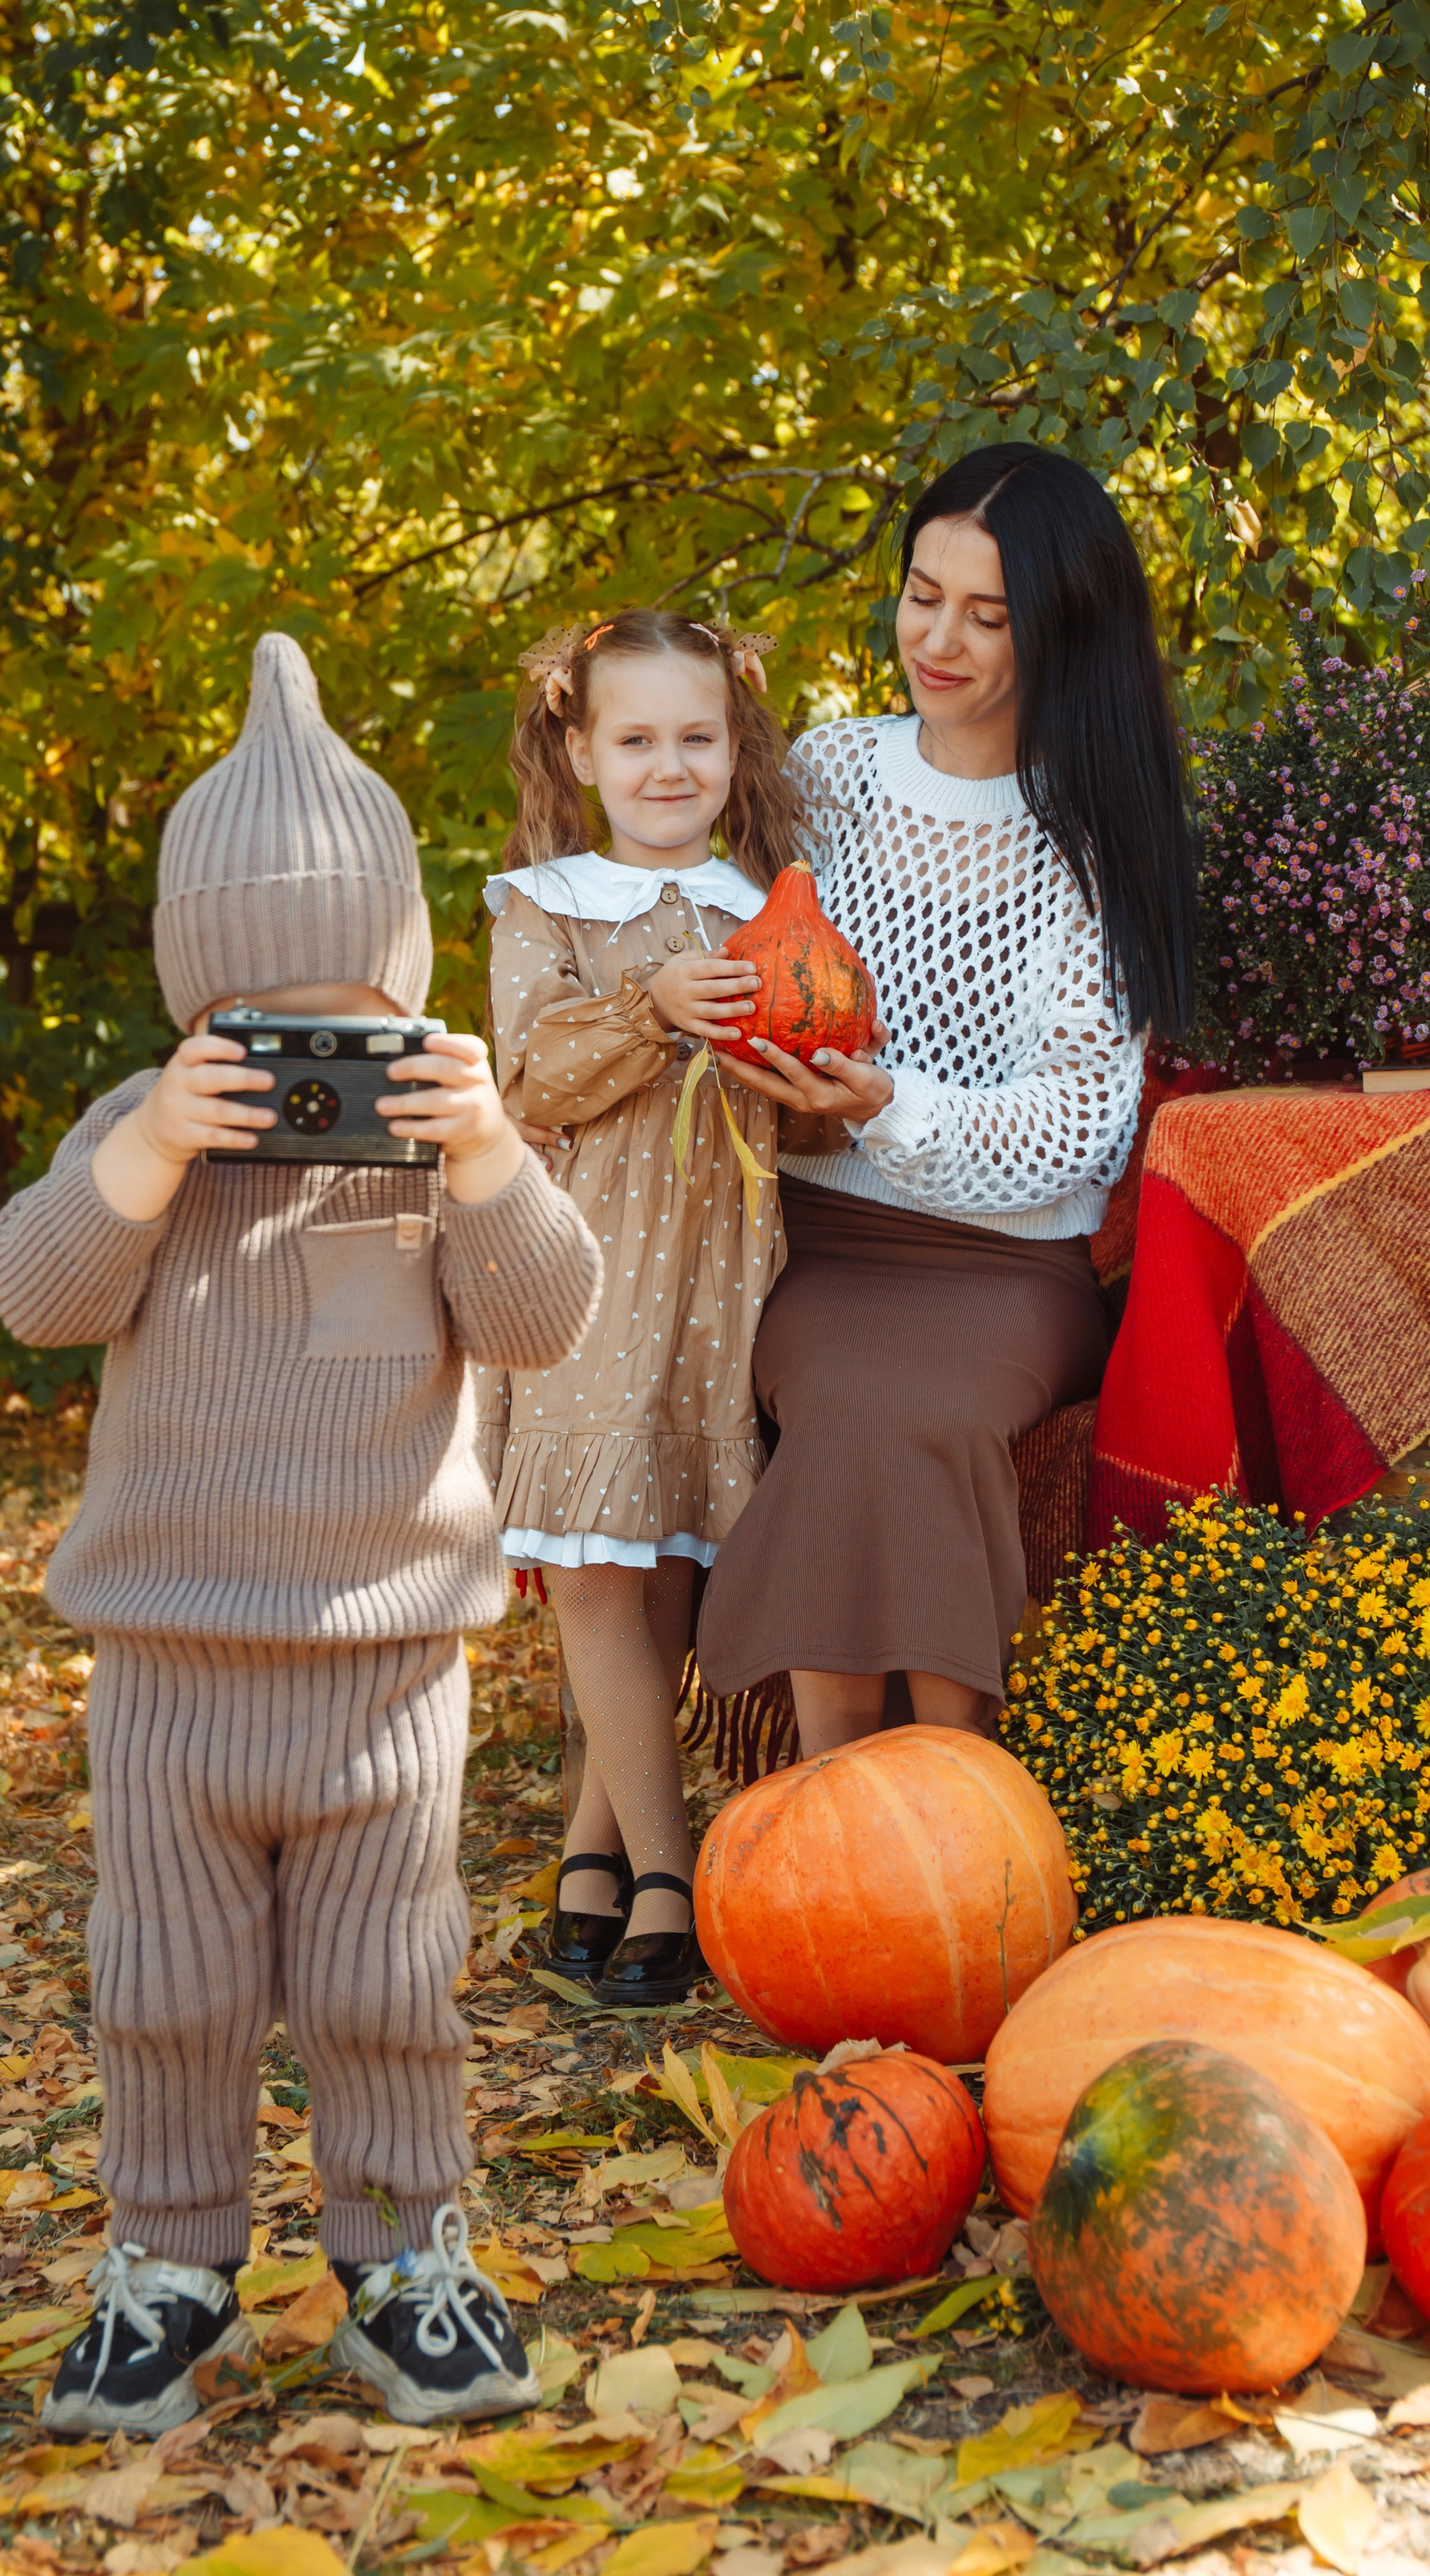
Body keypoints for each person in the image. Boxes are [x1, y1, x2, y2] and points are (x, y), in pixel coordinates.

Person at [0, 634, 602, 2437]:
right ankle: (167, 2269)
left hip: (384, 1673)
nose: (308, 1067)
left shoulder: (429, 1143)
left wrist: (487, 1155)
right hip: (172, 1673)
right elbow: (33, 1289)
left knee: (385, 1984)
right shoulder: (149, 1132)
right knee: (162, 1992)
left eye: (346, 1020)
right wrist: (147, 1151)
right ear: (196, 1002)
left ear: (403, 984)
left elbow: (544, 1316)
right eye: (266, 1030)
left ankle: (405, 2259)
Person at [696, 444, 1196, 1754]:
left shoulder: (1097, 831)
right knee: (858, 1398)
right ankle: (837, 1807)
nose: (942, 639)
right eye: (924, 595)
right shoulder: (832, 778)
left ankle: (950, 1812)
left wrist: (884, 1105)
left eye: (989, 614)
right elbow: (727, 944)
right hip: (821, 1243)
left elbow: (1084, 1123)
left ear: (1064, 627)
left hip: (1010, 1267)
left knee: (920, 1409)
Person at [480, 608, 802, 2001]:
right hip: (592, 1270)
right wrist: (657, 1008)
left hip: (730, 1270)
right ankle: (669, 1874)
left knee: (666, 1556)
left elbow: (821, 1066)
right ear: (581, 746)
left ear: (735, 745)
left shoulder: (771, 904)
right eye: (637, 740)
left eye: (698, 737)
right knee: (601, 1567)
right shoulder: (545, 902)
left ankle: (593, 1849)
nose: (669, 767)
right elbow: (530, 1080)